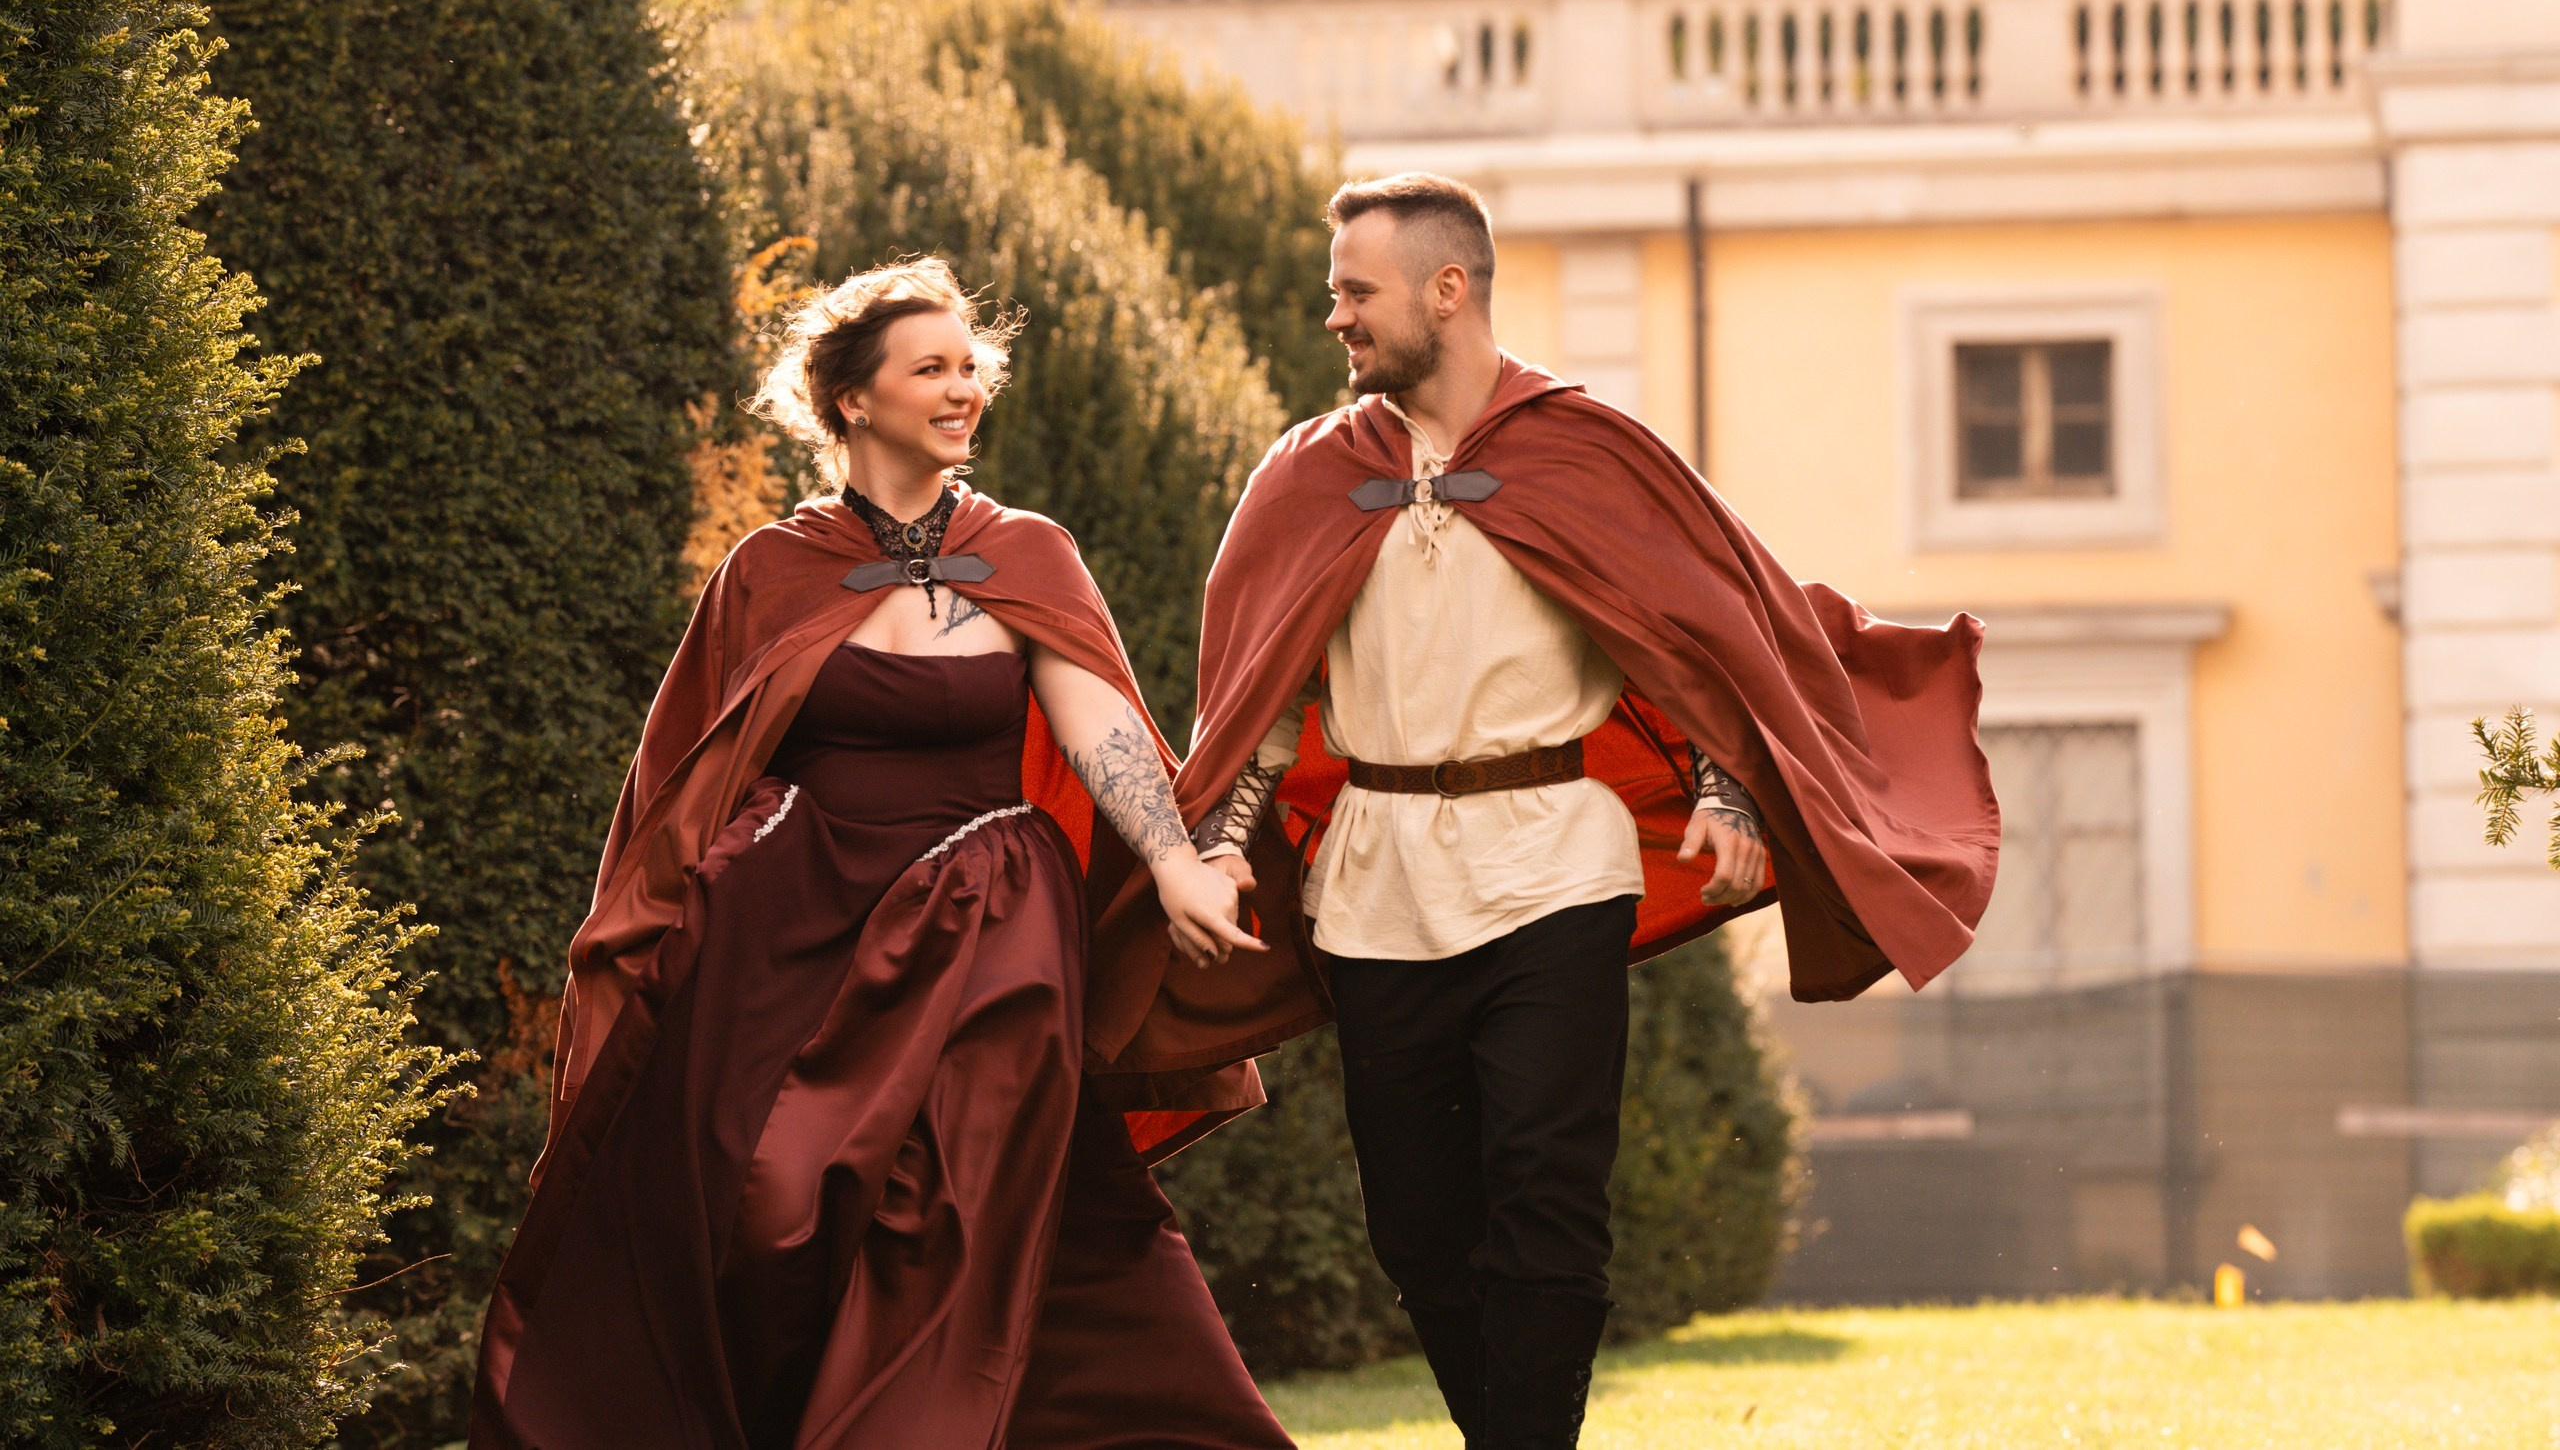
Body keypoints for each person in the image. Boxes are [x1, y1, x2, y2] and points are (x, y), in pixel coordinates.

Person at [1168, 174, 2002, 1449]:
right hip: (1376, 891)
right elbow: (1258, 691)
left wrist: (1729, 789)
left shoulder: (1586, 450)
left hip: (1555, 871)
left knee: (1549, 1202)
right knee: (1415, 1226)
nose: (1333, 316)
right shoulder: (1309, 476)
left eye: (1355, 291)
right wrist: (1219, 847)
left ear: (1447, 291)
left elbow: (1707, 634)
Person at [469, 258, 1289, 1450]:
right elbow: (693, 770)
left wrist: (1170, 860)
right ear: (853, 400)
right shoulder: (771, 567)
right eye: (932, 370)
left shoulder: (1026, 551)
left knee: (963, 1198)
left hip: (989, 918)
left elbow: (1100, 721)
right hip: (793, 916)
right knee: (770, 1207)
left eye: (971, 368)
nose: (964, 391)